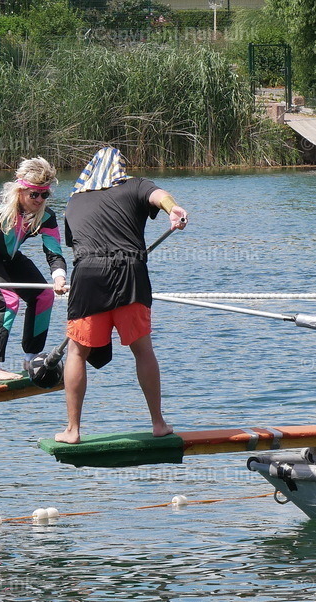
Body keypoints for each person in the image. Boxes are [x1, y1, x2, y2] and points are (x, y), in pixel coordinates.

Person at [53, 147, 188, 444]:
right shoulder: (135, 185)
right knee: (143, 350)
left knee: (77, 352)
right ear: (120, 169)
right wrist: (174, 209)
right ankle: (158, 423)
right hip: (130, 275)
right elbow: (160, 196)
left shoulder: (73, 202)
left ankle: (73, 430)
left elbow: (75, 244)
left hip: (88, 276)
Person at [0, 157, 69, 381]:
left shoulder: (46, 216)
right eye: (34, 194)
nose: (39, 200)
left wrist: (59, 277)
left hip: (10, 257)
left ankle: (32, 358)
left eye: (44, 194)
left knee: (44, 296)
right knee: (8, 302)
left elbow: (53, 251)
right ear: (20, 191)